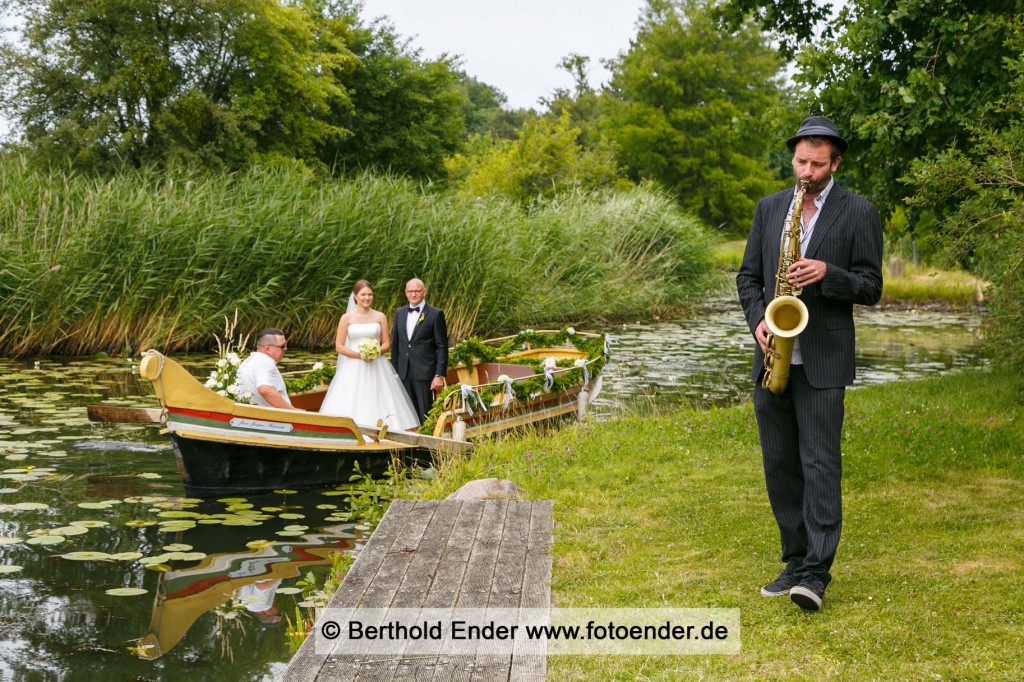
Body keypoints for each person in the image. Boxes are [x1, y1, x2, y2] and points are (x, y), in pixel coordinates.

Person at [736, 115, 883, 611]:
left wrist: (828, 272)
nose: (807, 172)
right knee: (780, 464)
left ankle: (816, 574)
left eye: (818, 164)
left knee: (819, 464)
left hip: (823, 358)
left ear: (835, 163)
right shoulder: (770, 208)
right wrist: (759, 320)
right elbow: (748, 277)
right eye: (801, 161)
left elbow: (871, 286)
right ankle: (794, 559)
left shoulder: (859, 212)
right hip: (772, 355)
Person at [319, 280, 420, 431]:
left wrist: (375, 352)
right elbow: (339, 346)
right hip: (353, 365)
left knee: (380, 397)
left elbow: (386, 343)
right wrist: (359, 355)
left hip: (376, 364)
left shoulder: (380, 317)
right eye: (363, 294)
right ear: (355, 296)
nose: (367, 298)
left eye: (370, 294)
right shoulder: (346, 318)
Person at [390, 278, 448, 421]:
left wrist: (439, 375)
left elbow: (442, 347)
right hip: (403, 372)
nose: (413, 294)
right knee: (406, 413)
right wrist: (395, 372)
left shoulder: (435, 314)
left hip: (424, 372)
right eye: (410, 291)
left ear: (424, 292)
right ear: (406, 292)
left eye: (417, 291)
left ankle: (427, 442)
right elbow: (395, 345)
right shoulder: (400, 313)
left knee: (425, 413)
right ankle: (411, 443)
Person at [236, 328, 301, 410]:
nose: (286, 349)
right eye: (282, 346)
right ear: (268, 349)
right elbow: (265, 389)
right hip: (273, 420)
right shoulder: (265, 362)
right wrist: (293, 411)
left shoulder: (247, 362)